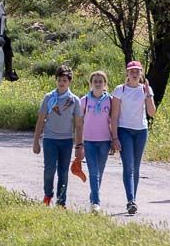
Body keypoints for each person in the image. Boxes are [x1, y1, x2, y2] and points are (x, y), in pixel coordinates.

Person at [32, 65, 82, 208]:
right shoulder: (49, 98)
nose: (62, 83)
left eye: (65, 80)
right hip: (50, 139)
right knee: (49, 170)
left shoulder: (74, 100)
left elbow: (79, 125)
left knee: (63, 172)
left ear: (69, 82)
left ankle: (61, 201)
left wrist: (79, 145)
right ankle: (48, 195)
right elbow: (41, 120)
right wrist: (36, 141)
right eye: (59, 80)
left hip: (66, 141)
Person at [112, 60, 157, 214]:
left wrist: (148, 93)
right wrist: (114, 137)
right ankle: (130, 199)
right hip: (124, 130)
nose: (134, 73)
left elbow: (151, 112)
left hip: (141, 131)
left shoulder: (145, 89)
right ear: (127, 73)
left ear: (141, 73)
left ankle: (133, 199)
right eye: (131, 71)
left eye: (137, 71)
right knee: (128, 166)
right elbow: (114, 115)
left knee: (136, 167)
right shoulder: (120, 90)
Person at [79, 71, 120, 214]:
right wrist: (79, 143)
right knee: (93, 172)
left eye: (100, 81)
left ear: (105, 84)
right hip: (89, 141)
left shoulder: (109, 100)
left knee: (99, 172)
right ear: (91, 83)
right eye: (95, 81)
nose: (97, 83)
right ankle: (96, 202)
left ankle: (92, 197)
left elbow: (113, 120)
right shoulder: (84, 100)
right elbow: (79, 122)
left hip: (104, 141)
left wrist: (114, 140)